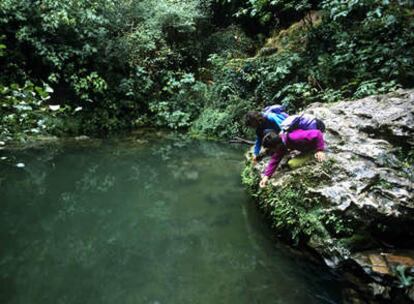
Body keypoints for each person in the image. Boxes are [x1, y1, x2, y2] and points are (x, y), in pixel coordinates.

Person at [259, 129, 326, 188]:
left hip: (315, 147)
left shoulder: (293, 137)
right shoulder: (282, 143)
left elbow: (317, 133)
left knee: (292, 164)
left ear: (276, 145)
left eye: (272, 149)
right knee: (290, 163)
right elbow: (275, 160)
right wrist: (266, 176)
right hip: (306, 148)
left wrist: (320, 150)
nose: (273, 151)